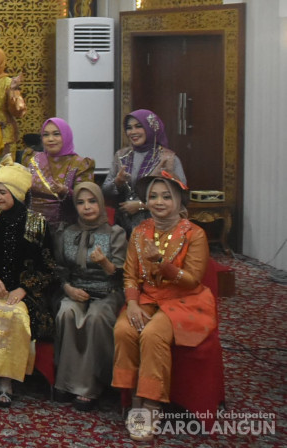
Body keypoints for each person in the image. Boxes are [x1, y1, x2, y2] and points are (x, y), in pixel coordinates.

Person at [113, 173, 217, 441]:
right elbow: (129, 275)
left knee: (152, 334)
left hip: (184, 300)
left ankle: (150, 404)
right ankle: (133, 396)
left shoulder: (195, 234)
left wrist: (162, 262)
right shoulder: (139, 231)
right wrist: (132, 304)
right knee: (124, 329)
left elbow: (192, 280)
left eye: (166, 196)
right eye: (153, 196)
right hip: (147, 299)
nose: (159, 201)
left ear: (180, 200)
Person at [0, 163, 57, 408]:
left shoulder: (38, 224)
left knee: (14, 316)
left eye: (3, 192)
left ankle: (7, 381)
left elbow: (49, 268)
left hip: (26, 295)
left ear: (17, 194)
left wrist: (24, 288)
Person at [52, 181, 127, 410]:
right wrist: (68, 289)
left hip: (107, 292)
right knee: (66, 313)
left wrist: (105, 263)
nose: (87, 207)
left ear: (101, 203)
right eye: (81, 202)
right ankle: (67, 382)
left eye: (92, 201)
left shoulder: (115, 233)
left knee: (95, 318)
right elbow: (59, 269)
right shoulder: (68, 232)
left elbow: (123, 275)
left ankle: (92, 386)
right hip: (76, 290)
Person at [103, 110, 186, 233]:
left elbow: (180, 196)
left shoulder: (168, 159)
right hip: (123, 226)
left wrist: (141, 206)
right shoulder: (121, 156)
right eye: (129, 128)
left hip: (158, 225)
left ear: (151, 128)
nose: (133, 132)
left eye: (138, 126)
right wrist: (117, 182)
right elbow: (105, 190)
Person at [27, 117, 96, 226]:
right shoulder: (33, 160)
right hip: (34, 226)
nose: (50, 139)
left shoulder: (80, 164)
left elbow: (87, 198)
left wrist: (65, 191)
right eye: (45, 135)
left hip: (66, 228)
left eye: (56, 134)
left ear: (66, 136)